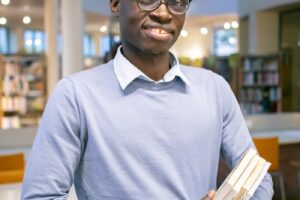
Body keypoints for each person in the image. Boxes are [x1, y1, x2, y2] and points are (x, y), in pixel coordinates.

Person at [21, 0, 274, 199]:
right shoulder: (75, 95)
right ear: (115, 3)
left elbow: (257, 177)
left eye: (176, 1)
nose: (163, 13)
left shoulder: (215, 89)